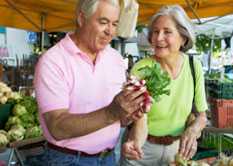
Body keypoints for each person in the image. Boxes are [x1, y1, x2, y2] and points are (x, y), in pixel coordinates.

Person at [31, 0, 149, 165]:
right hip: (68, 160)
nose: (110, 32)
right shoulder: (52, 61)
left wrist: (129, 114)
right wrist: (111, 112)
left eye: (115, 24)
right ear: (81, 18)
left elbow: (119, 119)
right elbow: (57, 127)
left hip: (108, 157)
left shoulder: (115, 58)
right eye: (103, 22)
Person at [121, 5, 208, 165]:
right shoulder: (142, 69)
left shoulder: (193, 66)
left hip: (177, 150)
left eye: (167, 32)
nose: (159, 38)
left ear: (183, 37)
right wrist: (136, 145)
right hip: (142, 149)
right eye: (155, 31)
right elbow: (140, 119)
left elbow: (202, 116)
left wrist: (193, 130)